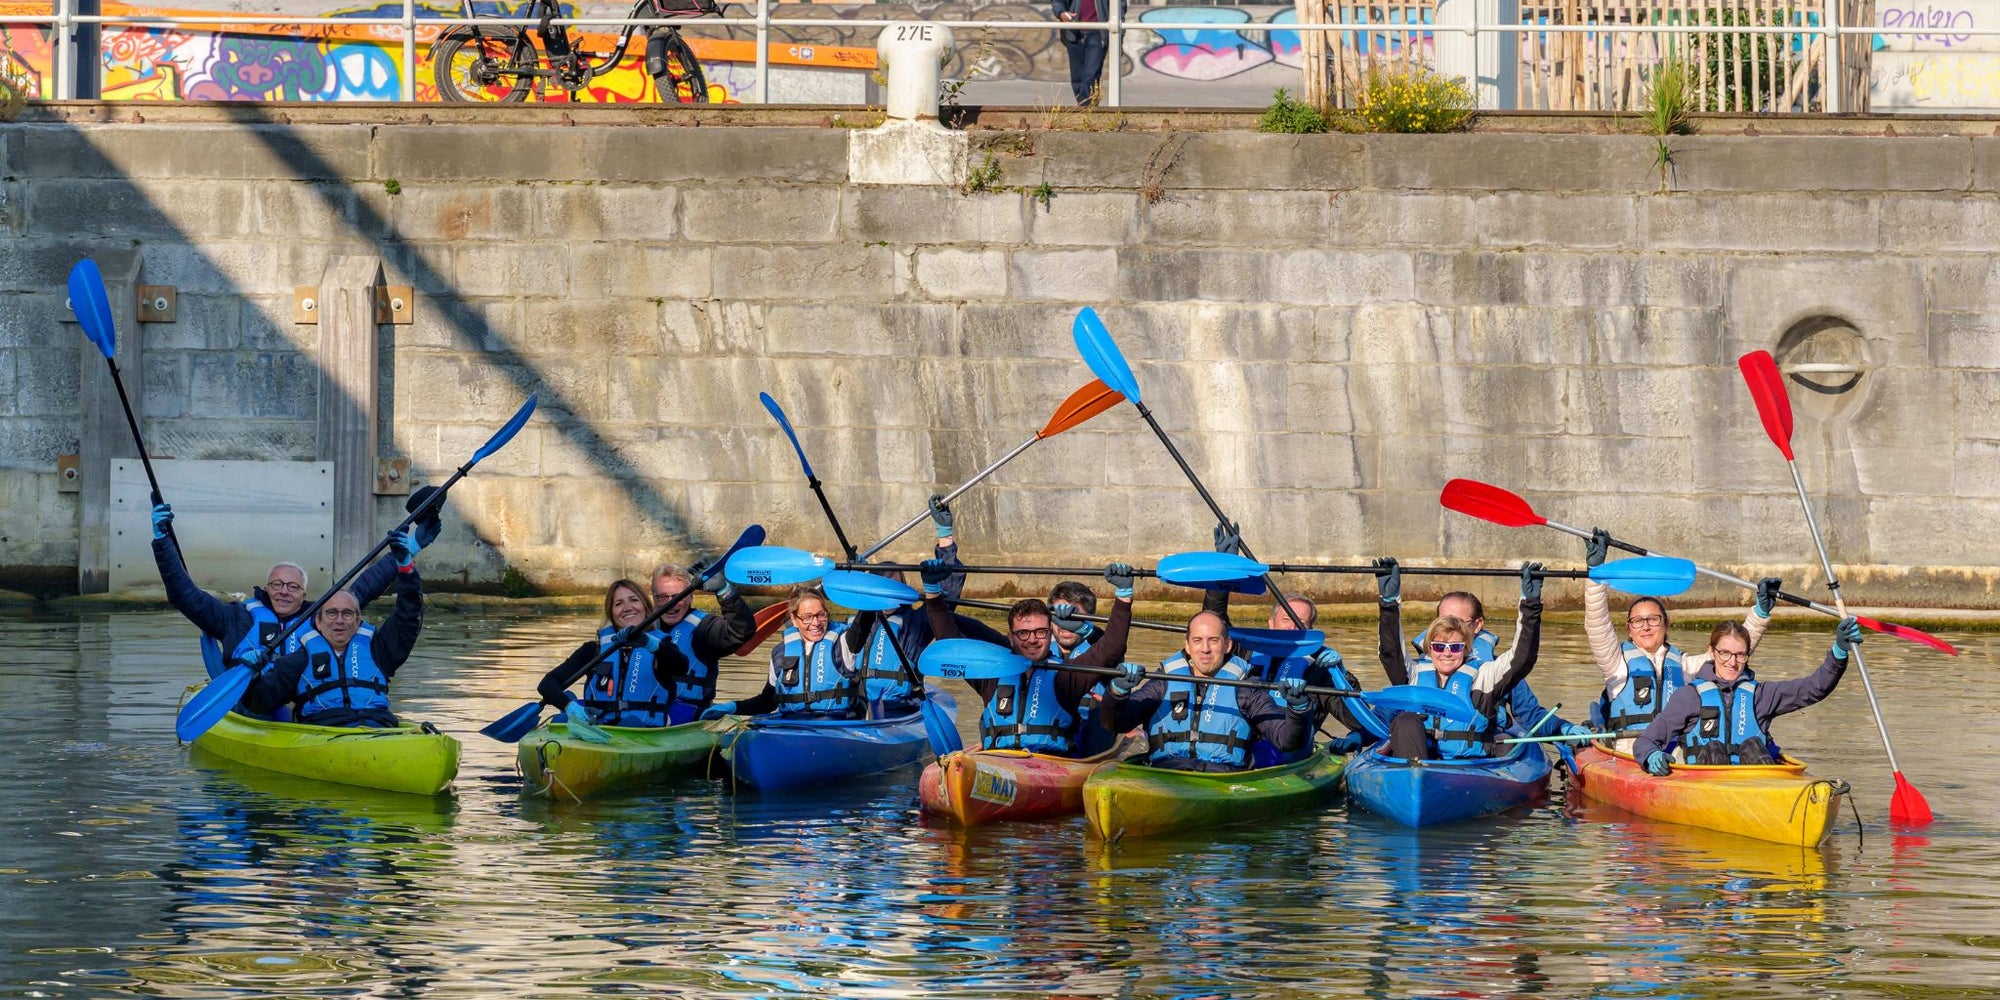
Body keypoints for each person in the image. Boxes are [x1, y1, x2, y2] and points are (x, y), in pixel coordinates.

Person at [150, 490, 440, 718]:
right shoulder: (235, 619)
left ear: (304, 594)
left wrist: (411, 548)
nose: (284, 592)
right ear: (266, 588)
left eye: (293, 587)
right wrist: (162, 539)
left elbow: (365, 586)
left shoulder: (321, 617)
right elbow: (183, 595)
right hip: (253, 702)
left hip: (308, 704)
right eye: (277, 585)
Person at [1583, 528, 1778, 751]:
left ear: (1666, 624)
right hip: (1629, 751)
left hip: (1674, 752)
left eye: (1653, 619)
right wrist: (1595, 576)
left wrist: (1759, 614)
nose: (1645, 626)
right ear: (1629, 629)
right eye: (1638, 621)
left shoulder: (1685, 666)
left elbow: (1731, 653)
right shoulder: (1615, 662)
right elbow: (1597, 624)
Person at [924, 562, 1134, 756]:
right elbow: (950, 647)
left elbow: (1111, 649)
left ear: (1049, 633)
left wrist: (1123, 596)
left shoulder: (1066, 676)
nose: (1032, 640)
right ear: (1011, 638)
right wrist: (933, 593)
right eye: (1023, 633)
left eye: (1040, 632)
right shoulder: (992, 673)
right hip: (997, 760)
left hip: (1049, 765)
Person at [241, 529, 426, 728]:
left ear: (357, 621)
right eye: (331, 613)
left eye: (347, 614)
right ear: (318, 623)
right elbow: (258, 702)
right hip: (325, 731)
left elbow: (409, 614)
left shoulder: (380, 650)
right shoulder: (297, 661)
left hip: (378, 726)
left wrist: (407, 570)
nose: (339, 620)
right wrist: (254, 676)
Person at [1633, 618, 1861, 773]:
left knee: (1753, 745)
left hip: (1754, 786)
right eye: (1725, 653)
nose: (1732, 662)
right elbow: (1646, 741)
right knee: (1713, 748)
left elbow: (1815, 688)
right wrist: (1651, 756)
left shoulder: (1761, 695)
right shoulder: (1689, 697)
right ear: (1711, 652)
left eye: (1740, 655)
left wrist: (1839, 652)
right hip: (1707, 785)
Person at [1100, 610, 1312, 773]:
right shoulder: (1163, 682)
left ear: (1227, 645)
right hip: (1166, 773)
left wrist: (1299, 708)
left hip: (1222, 777)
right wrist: (1117, 692)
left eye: (1213, 640)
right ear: (1188, 646)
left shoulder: (1247, 689)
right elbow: (1116, 723)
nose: (1205, 649)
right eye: (1197, 640)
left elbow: (1287, 741)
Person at [1375, 558, 1544, 760]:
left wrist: (1530, 605)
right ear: (1429, 647)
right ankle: (1412, 781)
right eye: (1439, 647)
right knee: (1405, 720)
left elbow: (1522, 658)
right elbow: (1390, 652)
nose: (1446, 653)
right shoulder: (1415, 674)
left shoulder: (1484, 676)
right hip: (1420, 767)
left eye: (1455, 647)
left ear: (1466, 648)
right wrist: (1389, 602)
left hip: (1470, 768)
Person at [534, 579, 691, 734]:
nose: (627, 608)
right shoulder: (593, 650)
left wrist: (650, 643)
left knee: (631, 724)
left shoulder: (661, 647)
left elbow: (681, 667)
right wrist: (570, 707)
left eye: (634, 600)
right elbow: (547, 684)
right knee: (560, 722)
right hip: (598, 730)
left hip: (644, 732)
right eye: (619, 604)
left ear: (645, 607)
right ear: (612, 613)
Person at [703, 585, 873, 720]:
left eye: (821, 615)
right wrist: (733, 707)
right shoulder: (780, 652)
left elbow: (862, 625)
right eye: (807, 617)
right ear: (794, 619)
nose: (816, 623)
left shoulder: (843, 644)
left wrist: (865, 587)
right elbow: (767, 702)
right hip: (791, 725)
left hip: (835, 725)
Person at [644, 560, 755, 723]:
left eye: (677, 596)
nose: (670, 603)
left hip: (688, 719)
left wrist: (724, 591)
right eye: (662, 597)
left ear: (690, 597)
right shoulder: (641, 629)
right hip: (645, 715)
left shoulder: (704, 628)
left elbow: (741, 631)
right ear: (653, 598)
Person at [1051, 0, 1125, 106]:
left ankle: (1087, 112)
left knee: (1091, 75)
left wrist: (1120, 36)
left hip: (1098, 32)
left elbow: (1120, 7)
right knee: (1077, 78)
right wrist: (1061, 13)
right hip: (1073, 31)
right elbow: (1058, 2)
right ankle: (1087, 110)